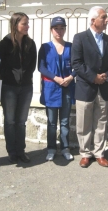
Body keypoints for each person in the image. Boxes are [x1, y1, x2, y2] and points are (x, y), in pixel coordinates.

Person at [71, 6, 108, 168]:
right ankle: (85, 153)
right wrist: (93, 77)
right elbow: (76, 63)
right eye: (103, 17)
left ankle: (99, 153)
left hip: (103, 88)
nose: (107, 20)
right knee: (83, 123)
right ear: (93, 20)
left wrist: (106, 76)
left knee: (101, 122)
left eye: (106, 17)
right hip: (85, 88)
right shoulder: (80, 38)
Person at [0, 12, 37, 164]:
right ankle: (12, 152)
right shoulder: (4, 44)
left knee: (21, 121)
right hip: (9, 88)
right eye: (24, 23)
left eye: (27, 23)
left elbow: (32, 65)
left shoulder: (30, 44)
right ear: (15, 25)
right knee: (10, 121)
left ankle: (21, 151)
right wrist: (8, 78)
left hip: (26, 87)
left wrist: (24, 77)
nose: (28, 26)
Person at [38, 16, 76, 161]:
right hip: (51, 89)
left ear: (65, 29)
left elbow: (77, 66)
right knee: (52, 122)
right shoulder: (45, 47)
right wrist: (56, 78)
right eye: (56, 28)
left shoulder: (71, 47)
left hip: (67, 87)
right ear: (51, 30)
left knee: (65, 121)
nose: (59, 31)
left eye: (62, 28)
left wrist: (71, 77)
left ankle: (65, 148)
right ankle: (51, 148)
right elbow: (41, 67)